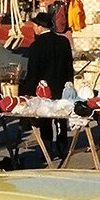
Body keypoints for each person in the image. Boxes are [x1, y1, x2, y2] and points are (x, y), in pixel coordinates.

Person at [19, 11, 74, 159]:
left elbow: (33, 73)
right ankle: (62, 145)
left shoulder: (36, 46)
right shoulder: (63, 42)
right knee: (62, 115)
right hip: (62, 86)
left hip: (44, 89)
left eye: (34, 25)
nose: (33, 28)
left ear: (39, 27)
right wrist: (70, 84)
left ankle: (48, 148)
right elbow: (69, 66)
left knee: (45, 118)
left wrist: (27, 92)